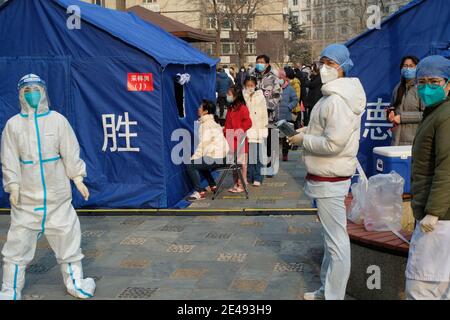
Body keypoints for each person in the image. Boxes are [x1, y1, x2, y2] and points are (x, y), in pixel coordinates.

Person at [0, 74, 96, 300]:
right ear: (20, 95)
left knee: (67, 240)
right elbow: (9, 158)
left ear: (43, 91)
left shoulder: (57, 121)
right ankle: (10, 289)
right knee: (17, 246)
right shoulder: (13, 125)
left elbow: (70, 152)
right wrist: (13, 185)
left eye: (35, 89)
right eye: (26, 90)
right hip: (26, 200)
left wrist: (78, 177)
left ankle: (76, 283)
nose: (31, 93)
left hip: (57, 198)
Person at [288, 44, 367, 300]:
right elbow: (323, 132)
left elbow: (334, 144)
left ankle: (334, 295)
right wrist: (304, 133)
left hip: (330, 178)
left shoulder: (337, 101)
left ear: (342, 68)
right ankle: (327, 289)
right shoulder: (330, 97)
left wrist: (305, 141)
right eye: (322, 62)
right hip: (327, 176)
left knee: (337, 242)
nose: (324, 68)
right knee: (330, 240)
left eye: (330, 63)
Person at [405, 55, 450, 300]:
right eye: (421, 82)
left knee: (422, 286)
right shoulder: (436, 112)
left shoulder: (446, 115)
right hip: (438, 215)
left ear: (449, 83)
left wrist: (433, 210)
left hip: (440, 219)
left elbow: (448, 166)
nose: (427, 87)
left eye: (434, 81)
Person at [186, 100, 230, 201]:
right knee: (201, 161)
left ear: (205, 111)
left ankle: (199, 192)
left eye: (200, 107)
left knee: (190, 164)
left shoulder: (206, 125)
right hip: (222, 157)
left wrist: (193, 158)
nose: (198, 108)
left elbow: (203, 145)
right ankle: (212, 184)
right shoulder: (212, 122)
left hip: (216, 158)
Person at [253, 54, 282, 176]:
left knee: (270, 143)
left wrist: (267, 106)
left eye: (262, 62)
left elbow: (278, 96)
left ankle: (270, 167)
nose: (259, 64)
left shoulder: (273, 78)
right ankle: (256, 169)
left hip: (269, 117)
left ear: (267, 64)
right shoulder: (252, 77)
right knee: (257, 143)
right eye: (258, 62)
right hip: (254, 117)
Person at [388, 56, 424, 146]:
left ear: (417, 68)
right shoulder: (398, 87)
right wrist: (389, 114)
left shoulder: (422, 88)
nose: (407, 68)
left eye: (411, 66)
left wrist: (402, 118)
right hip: (396, 140)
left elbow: (426, 114)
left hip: (414, 141)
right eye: (405, 66)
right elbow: (392, 107)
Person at [223, 85, 252, 193]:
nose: (227, 96)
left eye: (229, 94)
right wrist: (224, 131)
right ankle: (236, 183)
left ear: (236, 95)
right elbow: (227, 123)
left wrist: (240, 130)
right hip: (230, 139)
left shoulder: (243, 108)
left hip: (240, 139)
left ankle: (242, 184)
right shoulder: (231, 108)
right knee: (233, 164)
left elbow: (248, 122)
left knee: (242, 164)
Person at [243, 76, 268, 187]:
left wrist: (264, 129)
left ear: (255, 85)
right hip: (247, 130)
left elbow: (264, 114)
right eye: (248, 85)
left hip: (258, 129)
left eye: (252, 85)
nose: (250, 87)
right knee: (248, 156)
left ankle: (258, 177)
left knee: (258, 155)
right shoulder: (243, 96)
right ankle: (248, 176)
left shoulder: (260, 96)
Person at [278, 69, 300, 162]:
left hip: (285, 115)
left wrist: (289, 107)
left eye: (280, 77)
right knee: (274, 137)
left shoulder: (290, 88)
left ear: (284, 78)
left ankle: (285, 154)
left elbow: (295, 100)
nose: (279, 79)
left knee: (284, 137)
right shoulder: (273, 87)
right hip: (275, 115)